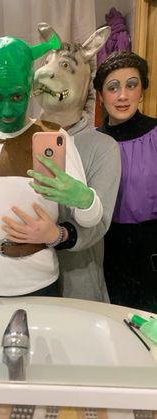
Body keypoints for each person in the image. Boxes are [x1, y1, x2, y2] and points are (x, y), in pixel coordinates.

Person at [0, 33, 104, 302]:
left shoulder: (55, 137)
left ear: (31, 86)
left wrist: (84, 198)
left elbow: (90, 219)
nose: (7, 109)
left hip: (38, 283)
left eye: (17, 96)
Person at [27, 24, 121, 302]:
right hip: (23, 279)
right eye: (46, 63)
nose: (46, 72)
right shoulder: (19, 135)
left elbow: (98, 222)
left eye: (66, 66)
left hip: (77, 283)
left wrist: (57, 234)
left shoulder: (103, 148)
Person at [93, 51, 157, 312]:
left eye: (131, 85)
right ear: (100, 96)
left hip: (151, 252)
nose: (122, 95)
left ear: (141, 91)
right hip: (103, 251)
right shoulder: (91, 142)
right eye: (113, 87)